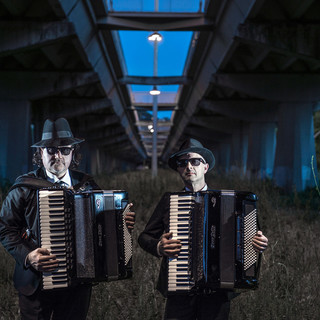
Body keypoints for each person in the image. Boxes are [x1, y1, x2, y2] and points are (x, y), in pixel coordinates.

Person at [0, 118, 135, 320]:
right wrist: (28, 257)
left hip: (78, 284)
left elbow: (104, 227)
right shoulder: (24, 188)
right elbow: (4, 228)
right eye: (51, 150)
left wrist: (121, 223)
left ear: (73, 153)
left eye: (64, 150)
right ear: (40, 153)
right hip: (36, 283)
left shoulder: (88, 185)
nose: (58, 156)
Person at [138, 138, 268, 320]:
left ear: (205, 167)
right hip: (180, 290)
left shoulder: (230, 202)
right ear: (178, 169)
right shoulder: (169, 200)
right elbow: (144, 237)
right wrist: (159, 247)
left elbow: (250, 238)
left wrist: (258, 243)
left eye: (195, 161)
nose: (189, 166)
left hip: (218, 290)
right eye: (182, 163)